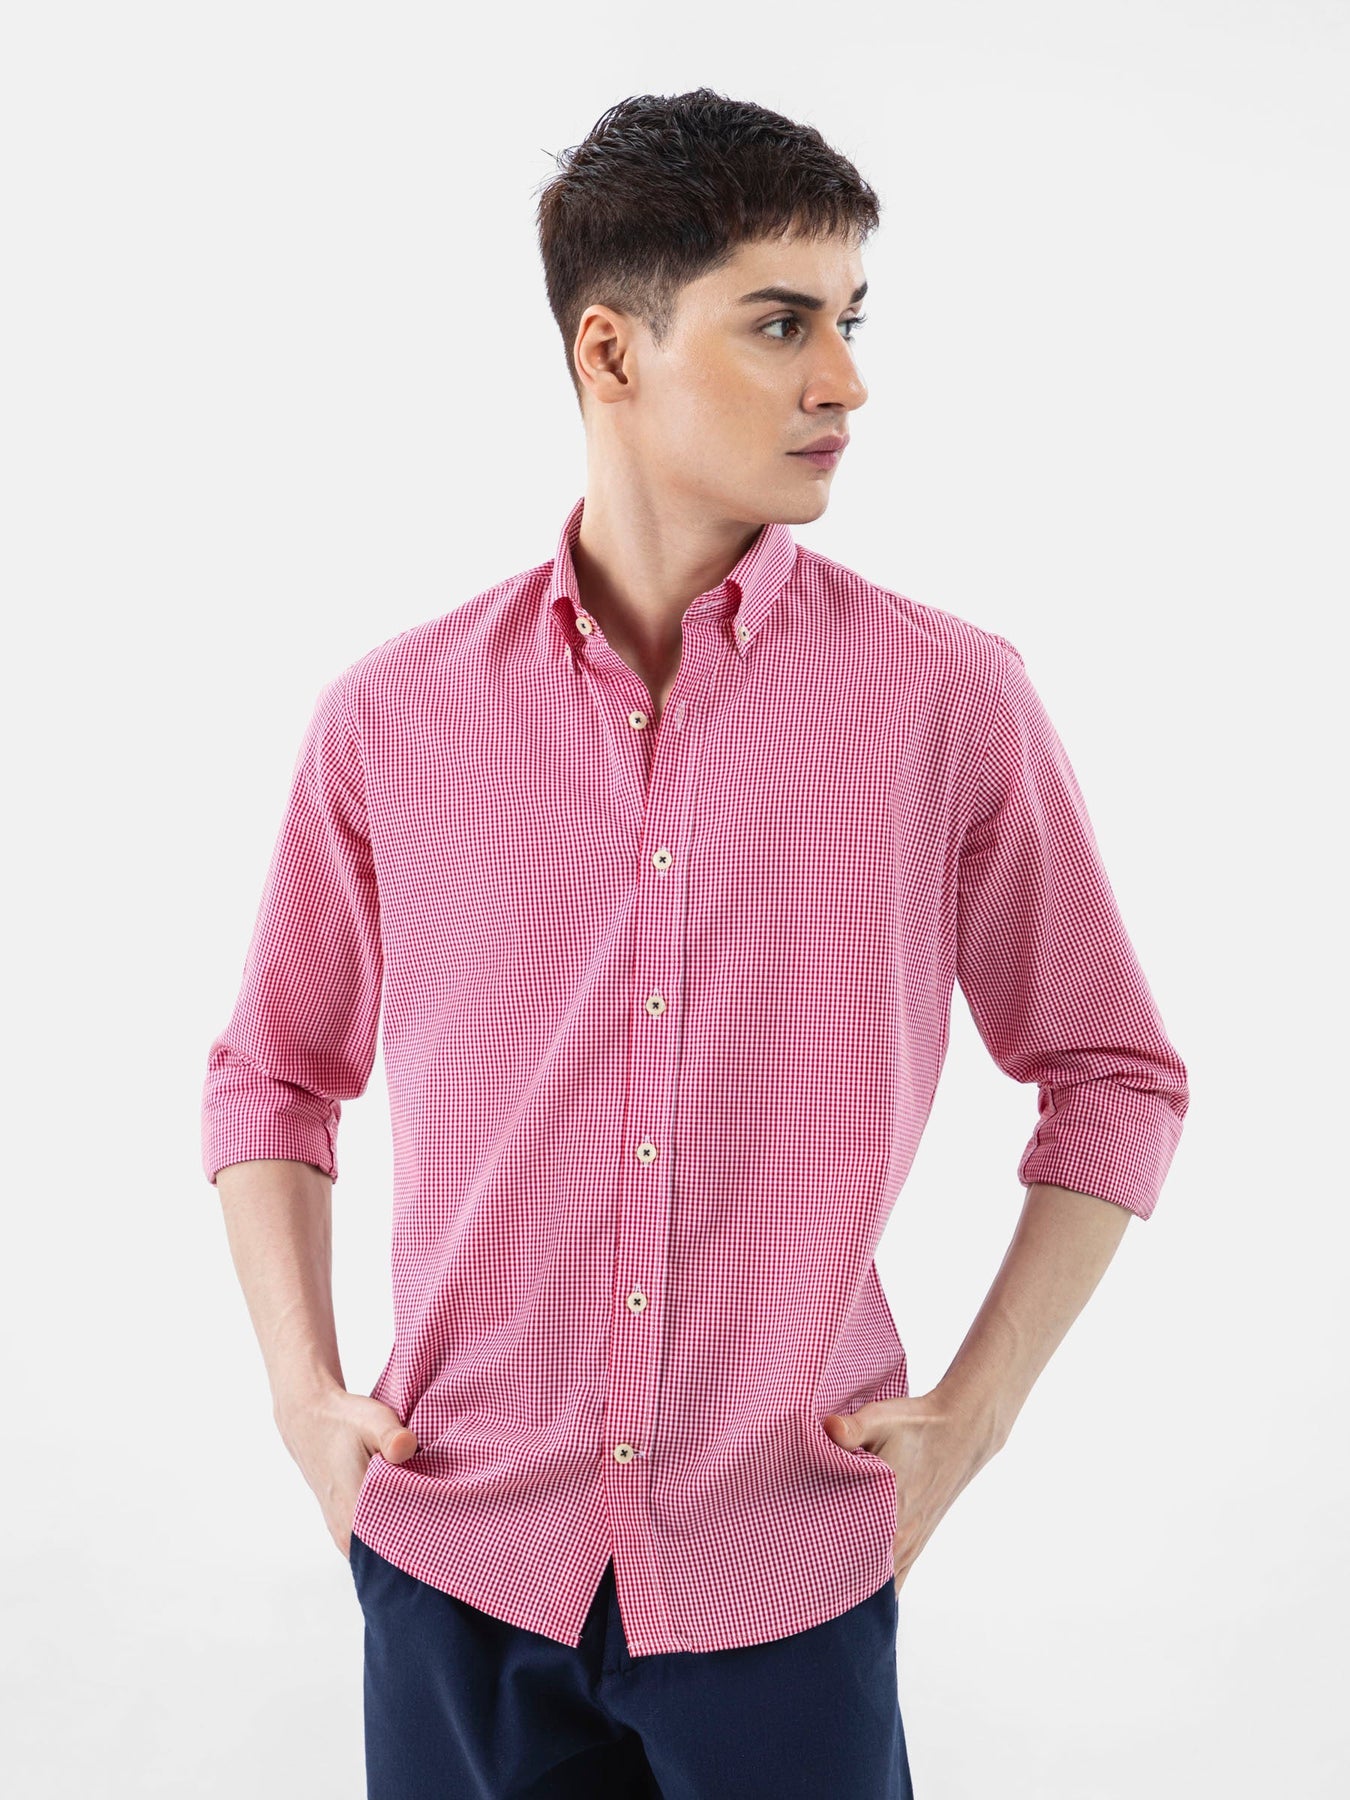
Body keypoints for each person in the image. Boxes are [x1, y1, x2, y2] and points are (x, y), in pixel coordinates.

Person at [202, 86, 1189, 1800]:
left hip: (782, 1569)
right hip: (454, 1557)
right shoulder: (391, 718)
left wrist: (972, 1417)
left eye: (853, 320)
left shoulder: (944, 701)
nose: (845, 382)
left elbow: (1112, 1073)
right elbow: (272, 1076)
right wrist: (305, 1396)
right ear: (611, 351)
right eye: (781, 323)